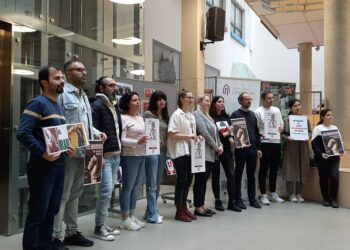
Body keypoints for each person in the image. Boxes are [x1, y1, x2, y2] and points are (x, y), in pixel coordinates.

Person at [16, 66, 75, 250]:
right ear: (44, 82)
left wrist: (66, 149)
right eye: (57, 78)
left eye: (62, 78)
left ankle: (45, 245)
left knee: (52, 210)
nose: (62, 81)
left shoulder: (57, 105)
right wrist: (43, 152)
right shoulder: (37, 103)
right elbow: (23, 133)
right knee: (38, 212)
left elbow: (56, 136)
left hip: (58, 165)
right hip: (41, 166)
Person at [53, 60, 106, 249]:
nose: (84, 72)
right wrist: (64, 147)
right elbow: (56, 122)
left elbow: (83, 122)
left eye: (85, 69)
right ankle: (55, 236)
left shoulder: (83, 95)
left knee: (76, 194)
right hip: (67, 153)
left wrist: (96, 132)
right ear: (68, 73)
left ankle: (72, 232)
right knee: (62, 195)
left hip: (83, 151)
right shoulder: (62, 94)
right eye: (79, 69)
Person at [90, 76, 122, 240]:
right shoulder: (96, 106)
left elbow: (117, 131)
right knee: (106, 192)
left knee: (108, 192)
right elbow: (93, 132)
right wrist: (98, 156)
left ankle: (102, 224)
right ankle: (98, 227)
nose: (114, 88)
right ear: (101, 88)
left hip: (116, 155)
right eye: (110, 85)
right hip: (105, 157)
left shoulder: (113, 106)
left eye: (115, 85)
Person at [118, 91, 148, 230]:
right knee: (128, 187)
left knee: (136, 187)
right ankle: (125, 218)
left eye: (138, 99)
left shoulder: (139, 117)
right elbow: (121, 139)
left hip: (142, 154)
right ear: (127, 103)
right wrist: (137, 141)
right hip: (129, 155)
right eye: (135, 100)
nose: (138, 102)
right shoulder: (123, 118)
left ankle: (131, 214)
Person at [167, 89, 198, 222]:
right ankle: (179, 211)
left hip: (190, 151)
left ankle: (184, 208)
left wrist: (197, 137)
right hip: (180, 152)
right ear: (181, 99)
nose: (191, 100)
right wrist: (189, 136)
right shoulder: (176, 114)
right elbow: (171, 134)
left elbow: (193, 134)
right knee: (181, 182)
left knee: (188, 181)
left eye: (192, 98)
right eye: (188, 97)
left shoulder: (190, 115)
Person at [209, 96, 241, 212]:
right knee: (216, 176)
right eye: (219, 101)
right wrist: (226, 134)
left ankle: (232, 202)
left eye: (223, 102)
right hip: (216, 149)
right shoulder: (210, 118)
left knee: (231, 175)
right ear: (214, 104)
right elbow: (213, 136)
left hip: (227, 149)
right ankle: (218, 200)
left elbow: (230, 132)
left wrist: (231, 137)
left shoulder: (227, 117)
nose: (222, 103)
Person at [231, 92, 262, 209]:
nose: (249, 101)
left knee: (251, 175)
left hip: (253, 149)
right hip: (241, 149)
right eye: (246, 99)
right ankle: (238, 200)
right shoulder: (235, 114)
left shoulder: (253, 115)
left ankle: (252, 199)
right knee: (238, 175)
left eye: (250, 99)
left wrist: (258, 148)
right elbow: (234, 132)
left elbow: (257, 133)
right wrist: (238, 142)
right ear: (240, 101)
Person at [193, 95, 222, 217]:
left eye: (210, 101)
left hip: (211, 153)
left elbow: (215, 133)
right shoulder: (197, 114)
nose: (209, 103)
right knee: (200, 180)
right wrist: (216, 147)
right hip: (202, 153)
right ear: (200, 102)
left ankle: (202, 205)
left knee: (204, 181)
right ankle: (198, 207)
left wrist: (220, 144)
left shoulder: (207, 115)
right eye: (206, 100)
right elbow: (204, 133)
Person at [143, 91, 169, 224]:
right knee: (152, 183)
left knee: (157, 183)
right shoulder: (148, 114)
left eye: (164, 99)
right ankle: (153, 213)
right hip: (152, 152)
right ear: (154, 101)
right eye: (159, 99)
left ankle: (150, 210)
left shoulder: (165, 116)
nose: (162, 102)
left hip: (163, 152)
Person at [255, 90, 284, 205]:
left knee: (274, 169)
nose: (271, 100)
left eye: (272, 98)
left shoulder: (276, 110)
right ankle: (263, 194)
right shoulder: (258, 111)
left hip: (276, 142)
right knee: (263, 168)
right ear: (263, 99)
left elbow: (281, 123)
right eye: (269, 98)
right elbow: (255, 129)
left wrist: (281, 127)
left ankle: (272, 193)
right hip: (264, 142)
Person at [281, 99, 311, 203]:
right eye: (295, 106)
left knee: (301, 170)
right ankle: (291, 194)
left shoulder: (305, 120)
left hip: (302, 148)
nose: (298, 107)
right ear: (291, 108)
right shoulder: (286, 120)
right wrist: (287, 138)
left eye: (299, 105)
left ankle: (299, 193)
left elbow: (310, 132)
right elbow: (281, 134)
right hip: (290, 148)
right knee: (290, 170)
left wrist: (308, 137)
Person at [312, 109, 343, 208]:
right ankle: (325, 198)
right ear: (322, 117)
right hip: (322, 157)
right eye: (328, 115)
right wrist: (321, 154)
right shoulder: (318, 128)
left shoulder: (335, 128)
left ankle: (333, 199)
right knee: (324, 177)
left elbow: (339, 141)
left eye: (331, 115)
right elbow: (314, 144)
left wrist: (341, 150)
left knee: (334, 176)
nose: (330, 117)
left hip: (334, 157)